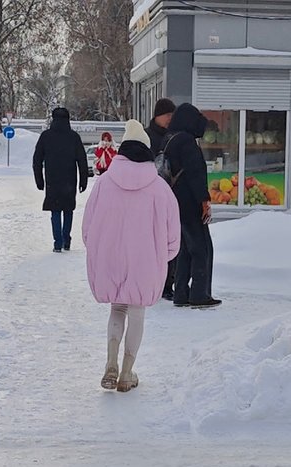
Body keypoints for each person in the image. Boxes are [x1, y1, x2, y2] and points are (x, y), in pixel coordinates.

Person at [81, 120, 180, 392]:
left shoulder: (104, 184)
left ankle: (110, 364)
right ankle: (127, 372)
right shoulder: (161, 189)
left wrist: (98, 250)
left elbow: (88, 226)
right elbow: (173, 236)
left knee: (117, 308)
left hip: (111, 259)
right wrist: (164, 255)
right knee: (137, 312)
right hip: (145, 262)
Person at [161, 103, 220, 308]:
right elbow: (195, 175)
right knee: (202, 248)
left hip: (175, 203)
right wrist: (204, 201)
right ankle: (199, 294)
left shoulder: (170, 139)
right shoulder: (187, 142)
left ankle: (181, 294)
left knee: (185, 249)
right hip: (190, 203)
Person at [33, 107, 90, 252]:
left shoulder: (46, 136)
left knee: (55, 211)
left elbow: (37, 160)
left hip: (52, 180)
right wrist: (83, 180)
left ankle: (57, 242)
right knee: (68, 210)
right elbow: (82, 161)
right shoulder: (73, 137)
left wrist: (39, 180)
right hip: (69, 180)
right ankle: (66, 240)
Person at [146, 97, 177, 300]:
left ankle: (167, 283)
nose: (169, 119)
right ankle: (152, 280)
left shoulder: (173, 136)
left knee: (168, 241)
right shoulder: (147, 137)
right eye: (166, 115)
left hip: (170, 194)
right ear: (157, 115)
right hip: (150, 196)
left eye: (171, 116)